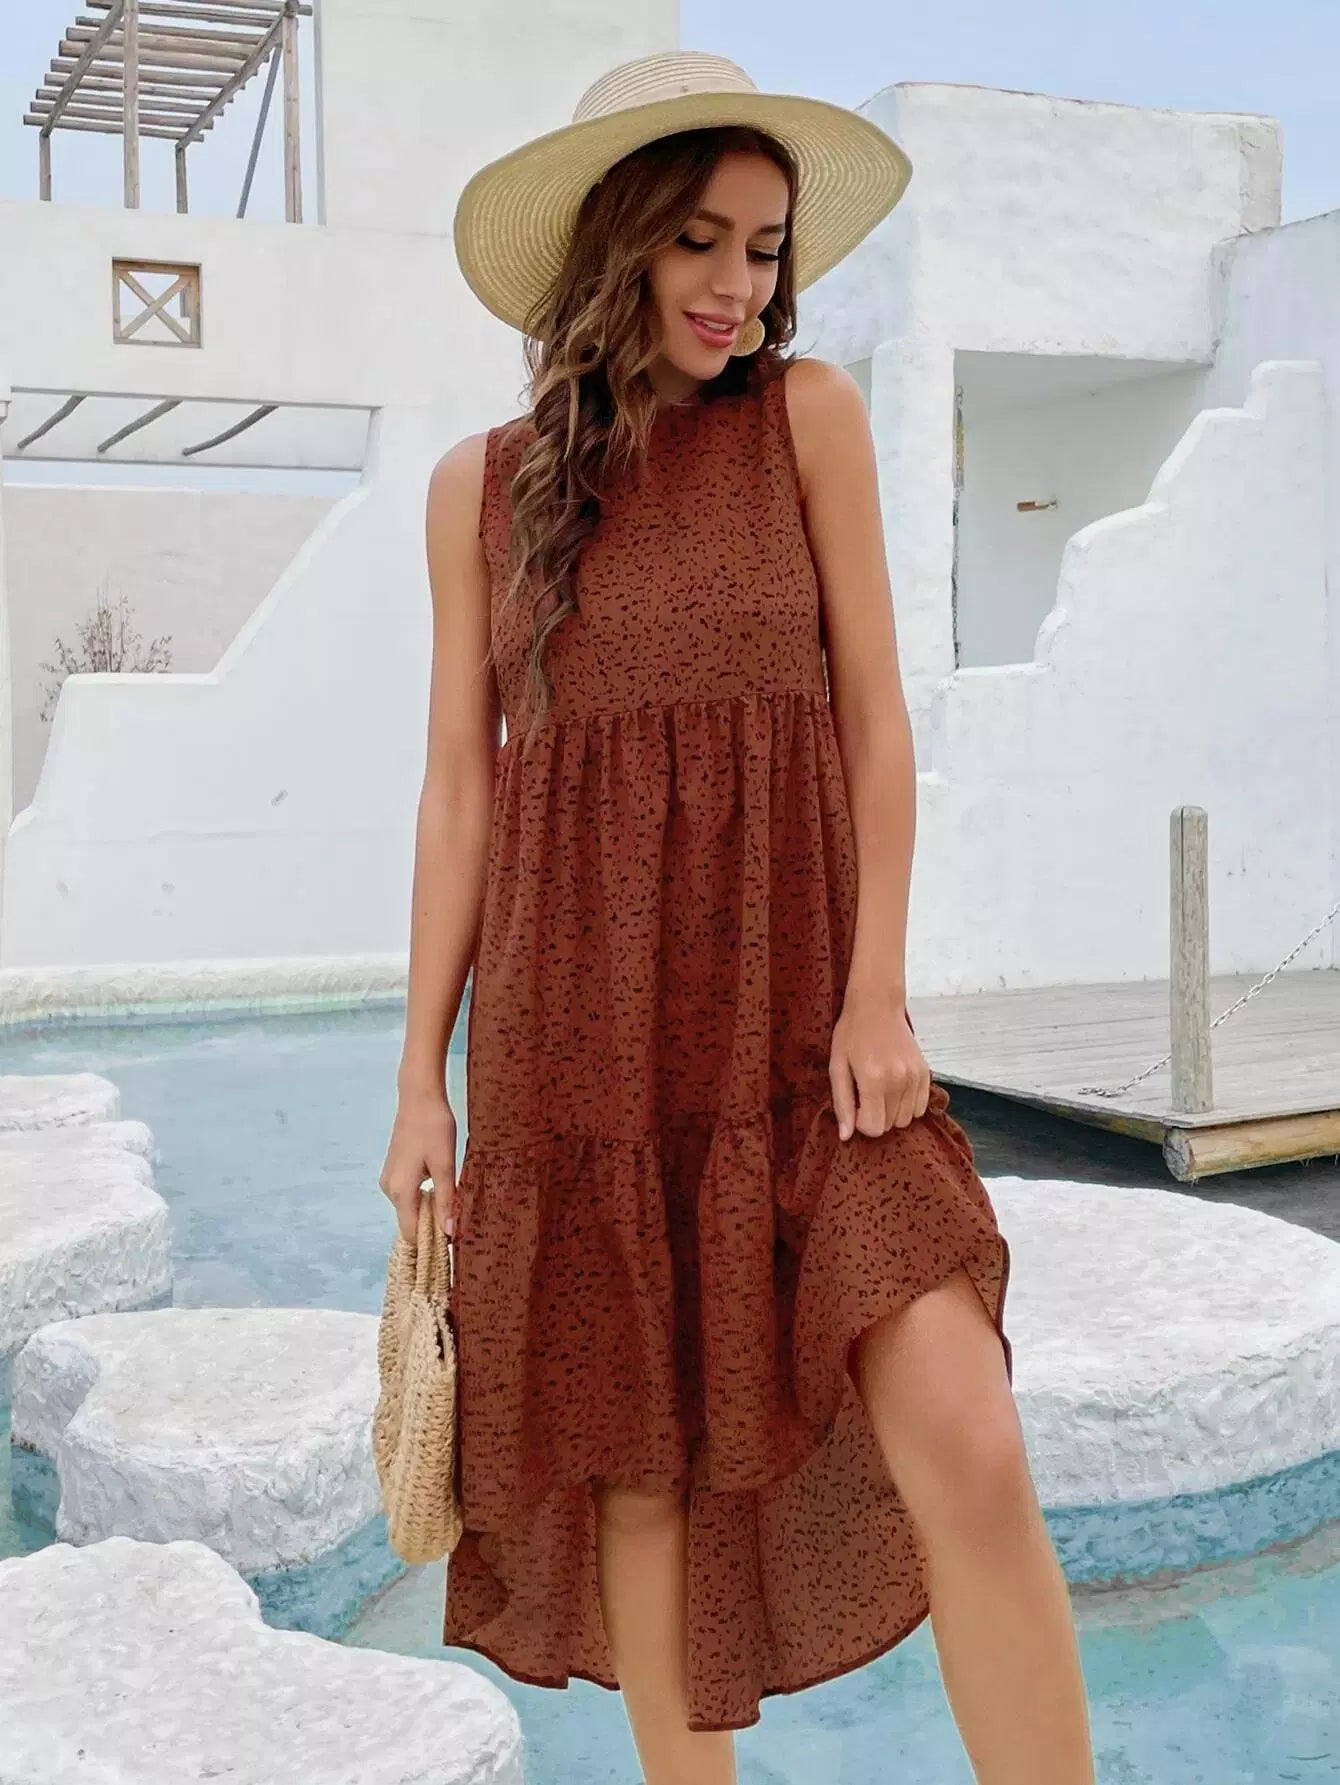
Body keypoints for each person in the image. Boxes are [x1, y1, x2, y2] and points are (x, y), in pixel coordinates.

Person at [380, 47, 1095, 1785]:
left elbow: (873, 721)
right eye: (699, 240)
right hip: (582, 1040)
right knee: (644, 1484)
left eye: (766, 250)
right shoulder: (483, 490)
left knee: (968, 1435)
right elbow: (463, 792)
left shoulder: (807, 421)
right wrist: (419, 1080)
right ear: (611, 243)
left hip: (808, 1029)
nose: (738, 288)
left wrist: (877, 991)